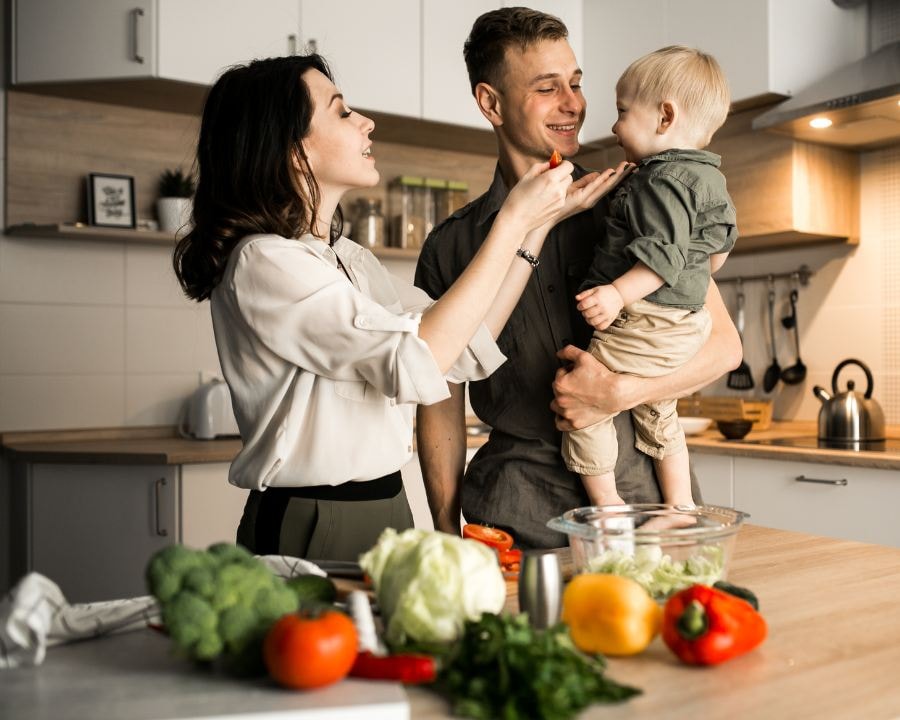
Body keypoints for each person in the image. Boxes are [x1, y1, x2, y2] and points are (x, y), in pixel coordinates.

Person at [172, 54, 628, 562]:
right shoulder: (265, 261)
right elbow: (421, 359)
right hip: (313, 517)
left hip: (388, 505)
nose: (367, 122)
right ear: (289, 148)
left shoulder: (349, 259)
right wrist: (511, 221)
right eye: (342, 112)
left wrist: (535, 227)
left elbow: (462, 346)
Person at [415, 8, 742, 548]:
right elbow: (438, 403)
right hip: (512, 515)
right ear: (490, 102)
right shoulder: (451, 245)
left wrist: (620, 391)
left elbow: (724, 349)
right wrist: (446, 533)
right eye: (548, 88)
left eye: (576, 83)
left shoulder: (638, 196)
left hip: (648, 511)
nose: (573, 104)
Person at [563, 45, 736, 510]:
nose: (615, 126)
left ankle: (608, 506)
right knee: (661, 411)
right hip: (684, 323)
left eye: (622, 112)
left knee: (584, 399)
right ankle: (680, 506)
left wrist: (619, 293)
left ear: (664, 117)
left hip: (646, 320)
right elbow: (713, 256)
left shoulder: (662, 181)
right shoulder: (708, 177)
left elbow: (662, 258)